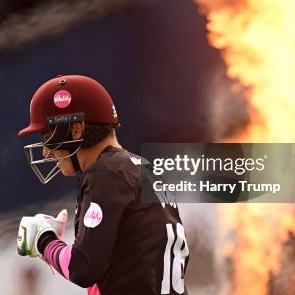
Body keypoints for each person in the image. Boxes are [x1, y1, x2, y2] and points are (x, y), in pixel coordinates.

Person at [16, 75, 189, 295]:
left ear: (76, 130)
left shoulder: (105, 173)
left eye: (48, 137)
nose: (46, 151)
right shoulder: (141, 168)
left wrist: (44, 240)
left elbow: (82, 268)